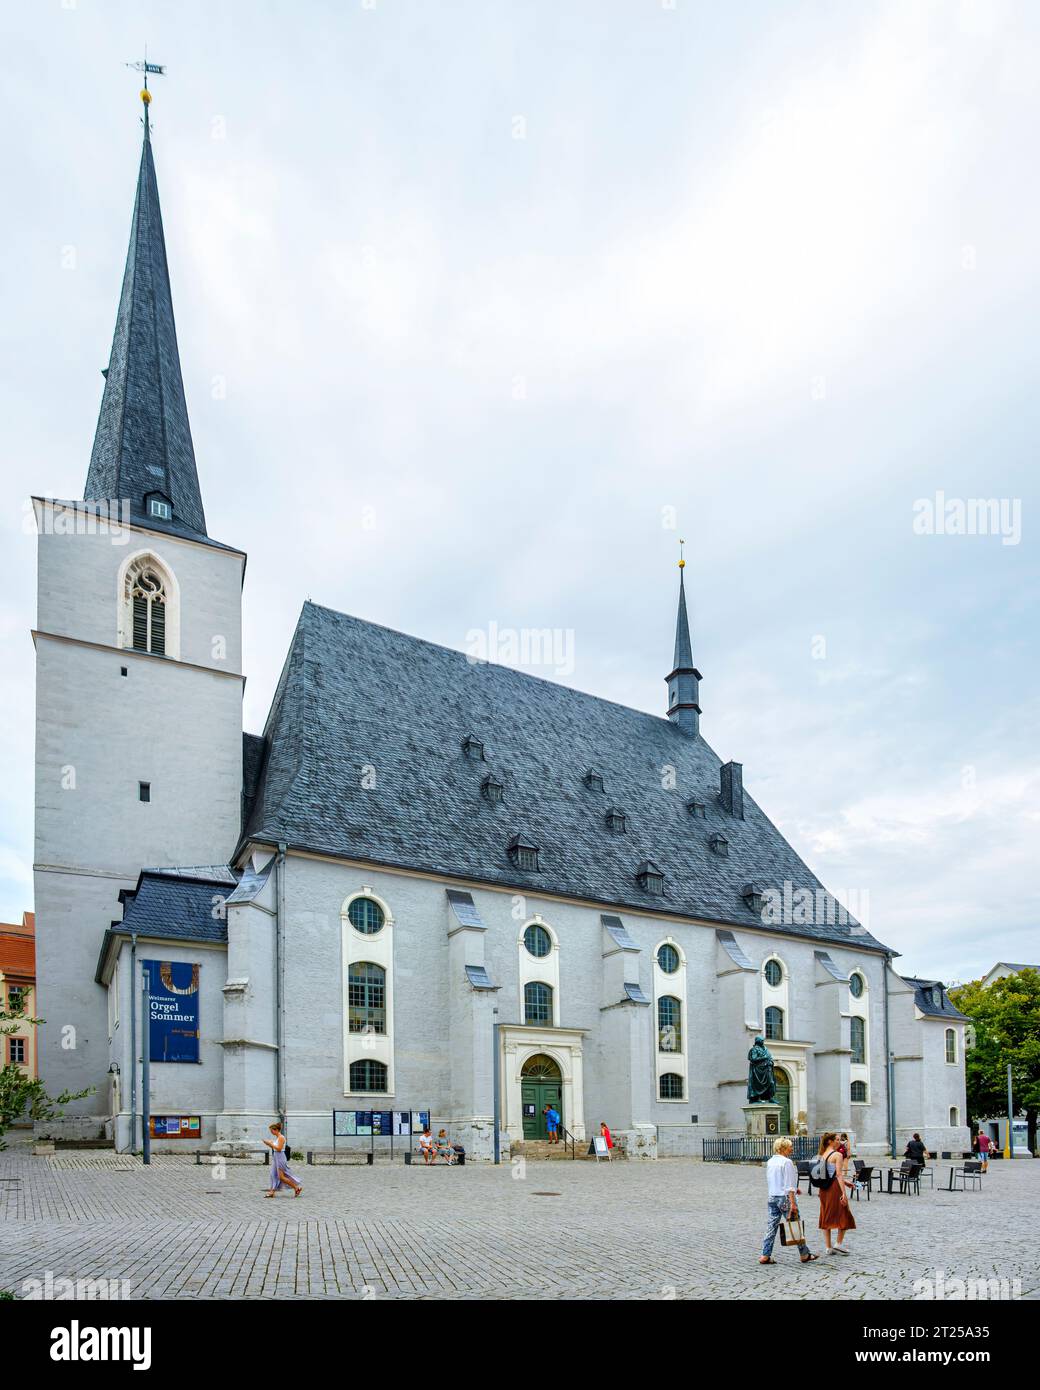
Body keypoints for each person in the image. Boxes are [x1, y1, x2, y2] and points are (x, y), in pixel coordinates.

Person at [760, 1137, 818, 1266]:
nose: (792, 1149)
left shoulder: (770, 1161)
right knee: (795, 1225)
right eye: (790, 1147)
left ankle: (765, 1254)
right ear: (783, 1148)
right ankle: (804, 1254)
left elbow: (776, 1179)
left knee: (771, 1226)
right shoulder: (787, 1162)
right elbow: (789, 1186)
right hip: (785, 1198)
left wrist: (792, 1188)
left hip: (772, 1196)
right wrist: (793, 1204)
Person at [816, 1131, 855, 1254]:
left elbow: (825, 1175)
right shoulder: (837, 1155)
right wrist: (843, 1192)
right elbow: (838, 1174)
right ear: (830, 1141)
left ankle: (828, 1247)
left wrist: (846, 1181)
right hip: (834, 1188)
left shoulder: (822, 1155)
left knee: (826, 1214)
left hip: (824, 1189)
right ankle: (838, 1243)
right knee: (844, 1213)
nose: (839, 1142)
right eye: (837, 1140)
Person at [262, 1122, 302, 1198]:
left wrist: (270, 1144)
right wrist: (269, 1143)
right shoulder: (278, 1138)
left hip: (280, 1157)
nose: (271, 1132)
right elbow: (276, 1147)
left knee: (281, 1177)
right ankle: (271, 1192)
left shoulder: (281, 1137)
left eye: (271, 1131)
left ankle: (296, 1188)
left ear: (276, 1130)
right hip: (276, 1157)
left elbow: (279, 1149)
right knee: (273, 1174)